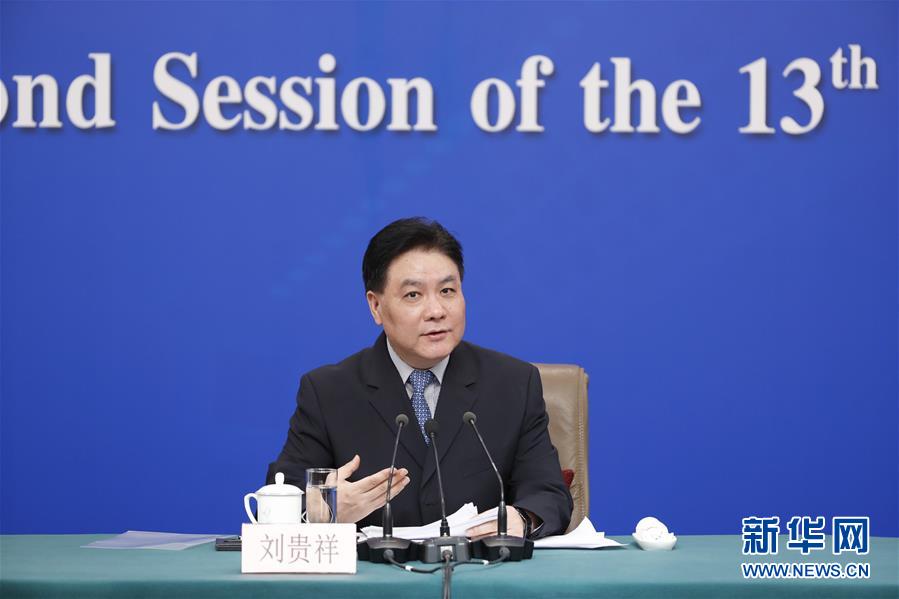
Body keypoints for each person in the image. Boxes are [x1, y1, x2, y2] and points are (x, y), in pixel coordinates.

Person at [267, 217, 572, 538]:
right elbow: (281, 496)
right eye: (413, 295)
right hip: (373, 569)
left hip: (481, 566)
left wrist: (523, 519)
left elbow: (548, 494)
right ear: (376, 306)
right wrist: (324, 511)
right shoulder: (328, 392)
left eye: (447, 291)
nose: (436, 311)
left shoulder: (513, 383)